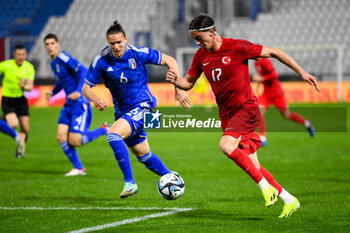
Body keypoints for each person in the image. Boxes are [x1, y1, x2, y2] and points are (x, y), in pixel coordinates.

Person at [166, 15, 319, 218]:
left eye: (199, 37)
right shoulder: (201, 56)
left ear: (211, 32)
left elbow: (274, 52)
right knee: (254, 166)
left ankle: (266, 188)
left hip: (246, 108)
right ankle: (289, 199)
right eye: (194, 38)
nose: (196, 42)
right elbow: (188, 82)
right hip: (227, 115)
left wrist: (302, 72)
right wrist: (176, 81)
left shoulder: (237, 47)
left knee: (226, 145)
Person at [83, 21, 191, 198]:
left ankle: (130, 183)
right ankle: (172, 178)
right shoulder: (101, 61)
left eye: (119, 42)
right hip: (123, 112)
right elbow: (86, 87)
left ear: (125, 39)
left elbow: (170, 61)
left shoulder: (139, 53)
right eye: (112, 43)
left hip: (144, 106)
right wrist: (95, 99)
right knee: (144, 156)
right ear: (107, 42)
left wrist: (178, 89)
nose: (116, 47)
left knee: (112, 135)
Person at [44, 33, 110, 176]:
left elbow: (83, 71)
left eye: (52, 43)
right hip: (68, 104)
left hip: (80, 103)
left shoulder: (63, 57)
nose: (50, 47)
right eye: (47, 44)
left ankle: (104, 129)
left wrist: (79, 91)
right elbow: (61, 81)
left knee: (75, 141)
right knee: (61, 136)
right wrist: (53, 92)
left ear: (58, 45)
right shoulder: (53, 63)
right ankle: (79, 168)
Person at [253, 57, 315, 146]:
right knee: (258, 112)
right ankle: (262, 138)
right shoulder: (256, 63)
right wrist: (258, 86)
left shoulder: (265, 62)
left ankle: (307, 123)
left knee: (287, 115)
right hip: (266, 94)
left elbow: (274, 75)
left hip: (277, 93)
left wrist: (261, 79)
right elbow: (261, 76)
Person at [0, 44, 34, 158]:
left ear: (26, 55)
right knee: (13, 124)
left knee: (25, 128)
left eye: (23, 54)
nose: (21, 57)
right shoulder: (6, 65)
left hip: (21, 100)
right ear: (14, 55)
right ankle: (2, 120)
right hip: (7, 100)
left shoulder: (29, 67)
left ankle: (19, 152)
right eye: (18, 54)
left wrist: (24, 87)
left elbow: (30, 86)